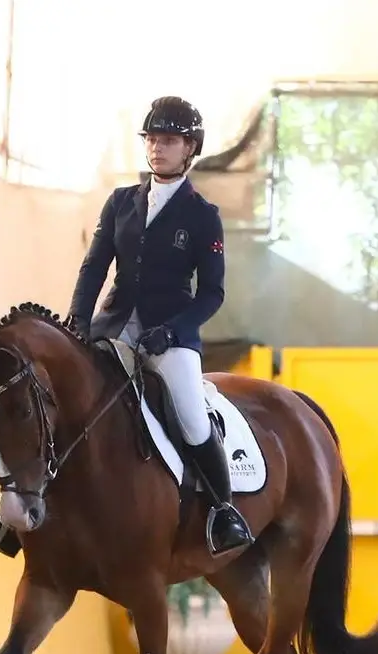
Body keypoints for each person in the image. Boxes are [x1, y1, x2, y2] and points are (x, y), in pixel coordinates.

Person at [66, 95, 254, 557]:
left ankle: (222, 510)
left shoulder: (202, 215)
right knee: (66, 394)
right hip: (113, 324)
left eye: (169, 140)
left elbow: (212, 293)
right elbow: (94, 268)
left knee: (190, 414)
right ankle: (35, 509)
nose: (157, 148)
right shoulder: (121, 203)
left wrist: (171, 332)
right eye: (152, 139)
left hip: (169, 333)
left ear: (190, 148)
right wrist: (76, 322)